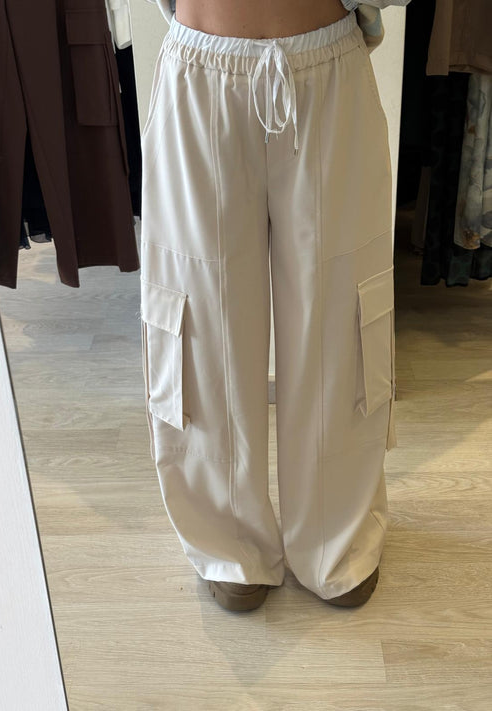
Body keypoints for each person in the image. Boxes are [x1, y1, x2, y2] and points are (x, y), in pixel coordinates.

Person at [139, 0, 411, 612]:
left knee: (340, 315)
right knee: (200, 318)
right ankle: (227, 540)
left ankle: (336, 538)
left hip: (326, 61)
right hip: (201, 62)